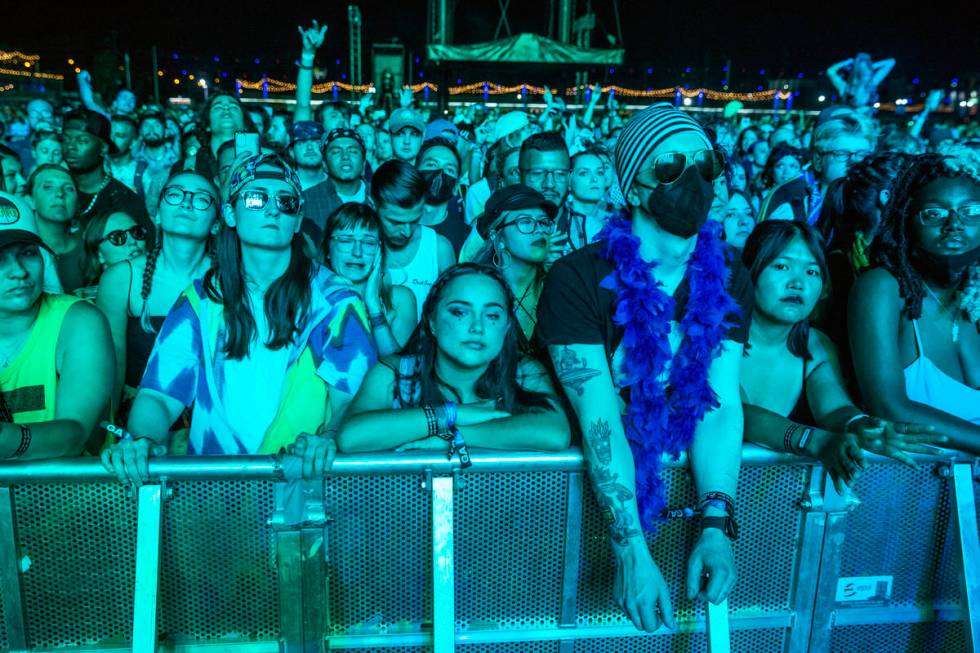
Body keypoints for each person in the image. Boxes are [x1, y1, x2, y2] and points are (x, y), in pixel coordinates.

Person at [537, 103, 751, 632]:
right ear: (634, 188)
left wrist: (717, 523)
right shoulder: (577, 279)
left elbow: (719, 404)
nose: (692, 180)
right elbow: (600, 419)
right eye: (669, 167)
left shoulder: (729, 276)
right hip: (592, 510)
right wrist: (630, 551)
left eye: (706, 164)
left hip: (689, 498)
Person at [101, 154, 377, 483]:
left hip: (304, 491)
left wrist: (329, 437)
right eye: (256, 197)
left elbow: (354, 398)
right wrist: (143, 440)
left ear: (298, 218)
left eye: (286, 201)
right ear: (231, 213)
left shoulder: (334, 301)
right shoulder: (201, 299)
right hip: (216, 492)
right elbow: (160, 395)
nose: (272, 208)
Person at [739, 220, 943, 492]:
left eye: (812, 271)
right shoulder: (715, 338)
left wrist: (862, 426)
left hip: (770, 497)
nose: (798, 283)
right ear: (750, 272)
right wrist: (814, 440)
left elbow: (834, 408)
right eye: (781, 266)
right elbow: (738, 413)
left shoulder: (815, 344)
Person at [337, 263, 569, 453]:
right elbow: (351, 437)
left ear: (506, 326)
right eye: (460, 312)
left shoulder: (524, 371)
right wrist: (452, 413)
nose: (477, 327)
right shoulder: (395, 372)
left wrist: (455, 436)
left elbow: (555, 433)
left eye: (492, 315)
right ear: (432, 321)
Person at [849, 154, 980, 453]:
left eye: (972, 211)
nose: (954, 224)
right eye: (934, 213)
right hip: (909, 490)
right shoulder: (884, 287)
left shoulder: (975, 295)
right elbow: (888, 406)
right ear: (907, 218)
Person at [96, 171, 219, 423]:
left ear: (217, 222)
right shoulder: (121, 278)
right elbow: (111, 365)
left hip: (209, 423)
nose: (186, 202)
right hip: (138, 422)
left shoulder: (230, 280)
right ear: (158, 214)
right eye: (175, 195)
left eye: (201, 199)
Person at [0, 191, 114, 459]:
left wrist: (7, 437)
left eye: (27, 253)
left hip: (76, 497)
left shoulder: (79, 320)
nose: (19, 271)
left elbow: (75, 435)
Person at [323, 202, 417, 355]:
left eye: (368, 242)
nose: (357, 252)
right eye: (346, 240)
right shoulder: (311, 296)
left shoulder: (400, 299)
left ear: (380, 250)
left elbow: (399, 371)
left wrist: (374, 307)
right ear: (328, 248)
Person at [372, 160, 455, 319]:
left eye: (415, 220)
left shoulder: (439, 248)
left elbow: (451, 315)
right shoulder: (358, 247)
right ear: (372, 204)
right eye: (395, 222)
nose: (407, 232)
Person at [473, 185, 557, 341]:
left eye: (544, 222)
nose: (539, 230)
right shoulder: (475, 290)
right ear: (497, 236)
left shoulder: (560, 289)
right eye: (525, 221)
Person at [62, 109, 150, 227]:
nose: (70, 146)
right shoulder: (55, 191)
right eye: (65, 139)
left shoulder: (125, 201)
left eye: (82, 140)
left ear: (103, 148)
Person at [27, 165, 87, 293]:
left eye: (69, 189)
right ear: (30, 200)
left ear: (77, 203)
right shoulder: (20, 250)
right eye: (48, 187)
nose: (60, 194)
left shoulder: (90, 246)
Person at [417, 137, 469, 256]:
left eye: (449, 169)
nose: (440, 172)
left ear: (456, 187)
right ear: (415, 174)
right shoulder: (395, 227)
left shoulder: (466, 240)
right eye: (431, 164)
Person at [79, 211, 147, 296]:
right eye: (118, 237)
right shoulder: (89, 303)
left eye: (137, 232)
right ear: (99, 254)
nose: (133, 241)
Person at [827, 53, 896, 110]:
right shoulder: (845, 87)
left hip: (865, 123)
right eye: (863, 72)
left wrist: (871, 67)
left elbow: (891, 61)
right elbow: (830, 71)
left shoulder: (871, 84)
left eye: (868, 73)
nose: (867, 75)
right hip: (848, 122)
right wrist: (848, 61)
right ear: (856, 73)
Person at [108, 115, 140, 192]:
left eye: (119, 135)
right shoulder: (94, 167)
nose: (111, 139)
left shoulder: (145, 174)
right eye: (108, 134)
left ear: (133, 143)